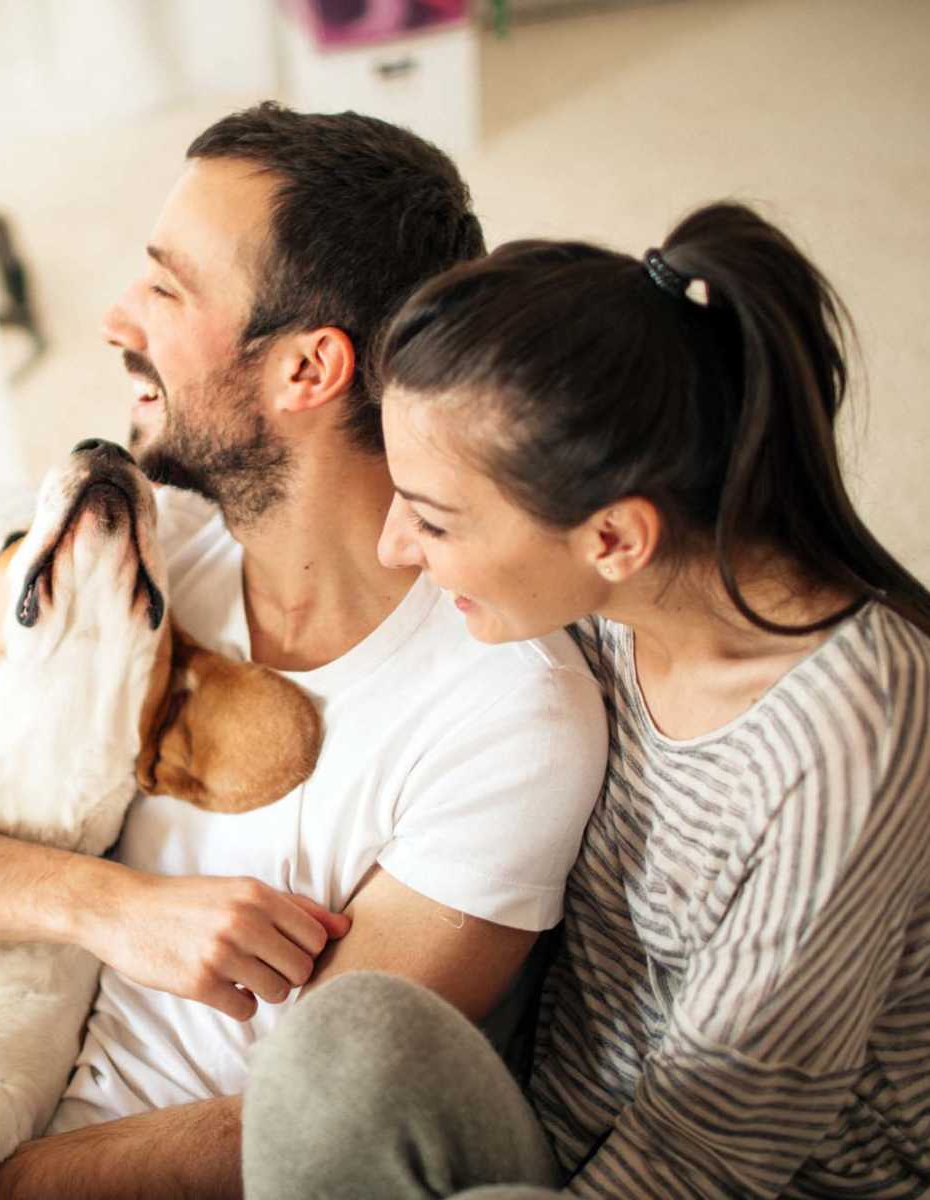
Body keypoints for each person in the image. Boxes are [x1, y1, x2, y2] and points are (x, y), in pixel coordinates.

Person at [0, 103, 609, 1197]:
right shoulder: (147, 543)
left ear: (308, 370)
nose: (114, 316)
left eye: (166, 287)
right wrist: (108, 909)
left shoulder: (508, 716)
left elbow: (306, 1121)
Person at [243, 203, 930, 1198]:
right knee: (336, 1047)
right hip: (558, 1107)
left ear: (614, 540)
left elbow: (712, 1156)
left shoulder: (848, 733)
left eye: (432, 521)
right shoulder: (611, 594)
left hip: (734, 1179)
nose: (397, 546)